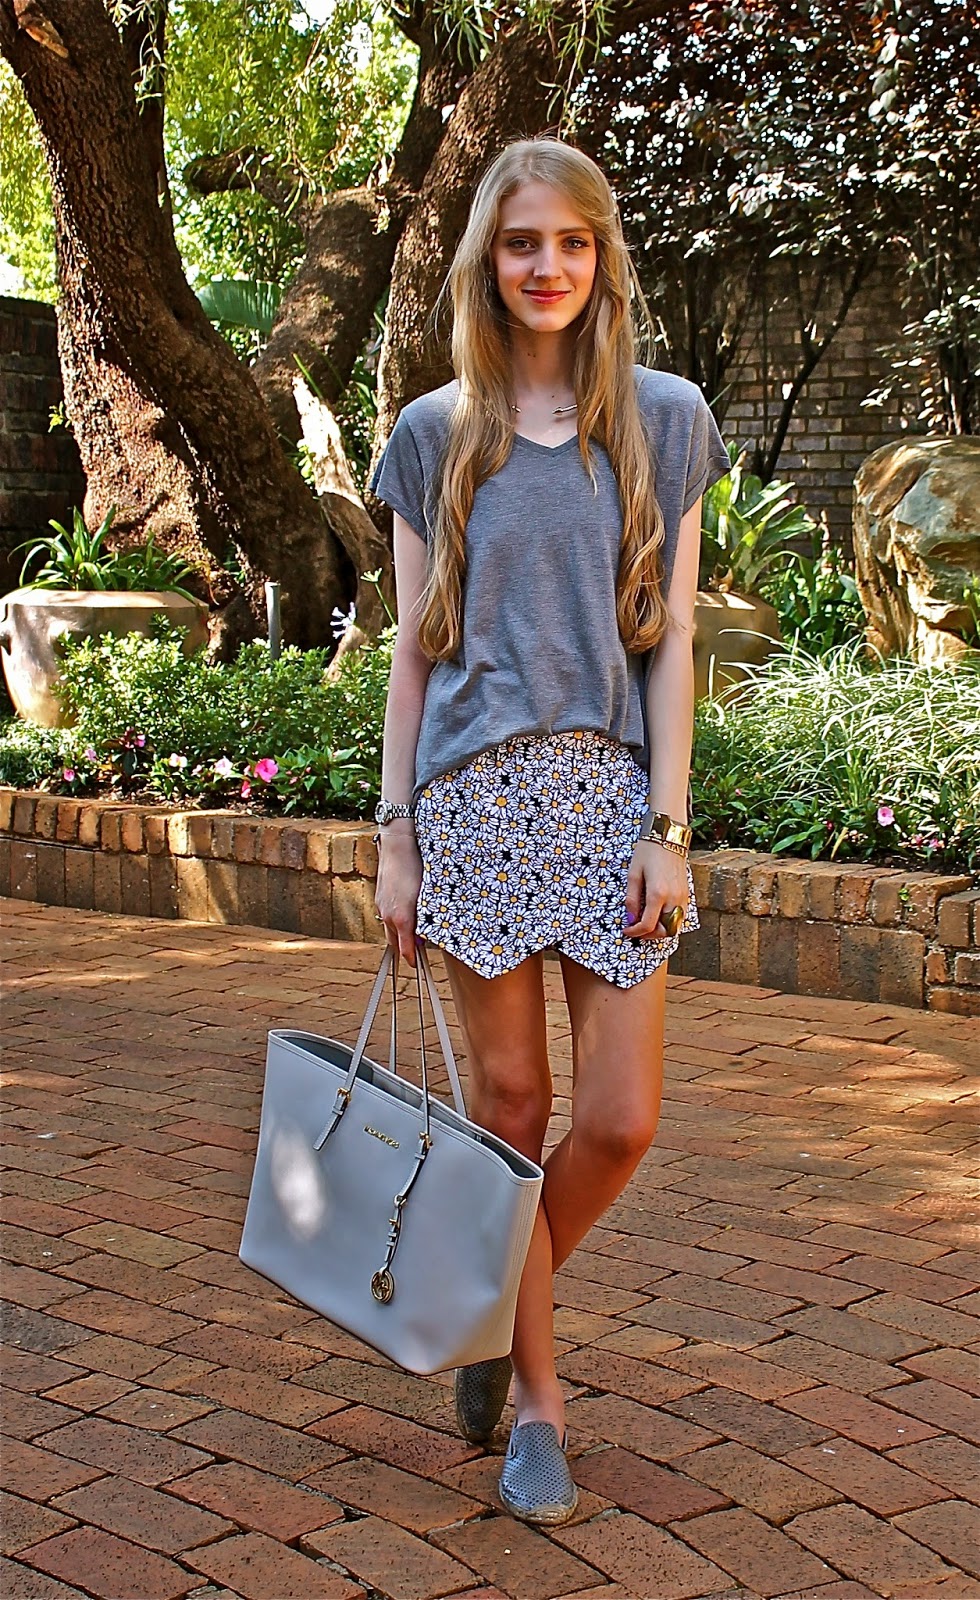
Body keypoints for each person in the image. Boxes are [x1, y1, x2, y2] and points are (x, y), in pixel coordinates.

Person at [368, 134, 729, 1526]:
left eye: (571, 242)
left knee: (621, 1121)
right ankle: (538, 1407)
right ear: (488, 259)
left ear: (601, 257)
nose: (547, 266)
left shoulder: (664, 419)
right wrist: (397, 839)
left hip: (611, 807)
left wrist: (668, 826)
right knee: (511, 1117)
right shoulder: (433, 433)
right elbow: (413, 654)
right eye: (522, 242)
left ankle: (486, 1302)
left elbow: (673, 639)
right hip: (473, 805)